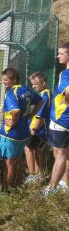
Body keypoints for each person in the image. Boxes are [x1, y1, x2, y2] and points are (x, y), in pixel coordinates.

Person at [0, 67, 42, 191]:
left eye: (6, 80)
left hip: (11, 134)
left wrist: (12, 123)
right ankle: (17, 186)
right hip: (23, 132)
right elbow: (40, 101)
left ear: (14, 79)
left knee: (8, 163)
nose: (3, 82)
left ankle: (5, 190)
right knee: (18, 159)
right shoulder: (27, 89)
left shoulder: (11, 92)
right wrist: (31, 115)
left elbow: (16, 111)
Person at [45, 43, 69, 196]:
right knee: (65, 153)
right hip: (62, 119)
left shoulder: (66, 74)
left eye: (61, 53)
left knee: (60, 154)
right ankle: (64, 183)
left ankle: (51, 189)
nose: (58, 56)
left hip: (61, 119)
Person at [24, 71, 51, 184]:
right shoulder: (45, 94)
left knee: (29, 149)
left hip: (39, 129)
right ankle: (38, 176)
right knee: (37, 152)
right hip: (40, 129)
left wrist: (34, 129)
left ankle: (32, 175)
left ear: (43, 83)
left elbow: (41, 116)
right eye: (32, 84)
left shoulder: (45, 95)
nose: (33, 87)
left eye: (35, 84)